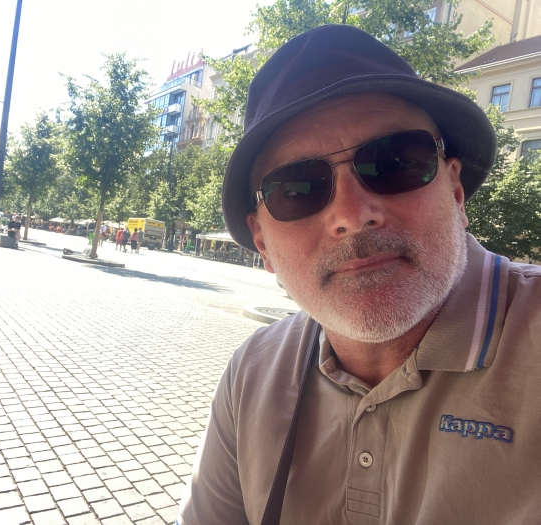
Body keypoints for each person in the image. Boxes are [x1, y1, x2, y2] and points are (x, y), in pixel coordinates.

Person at [177, 25, 541, 525]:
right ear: (263, 243)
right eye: (297, 188)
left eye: (395, 162)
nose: (352, 214)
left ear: (455, 191)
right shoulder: (253, 373)